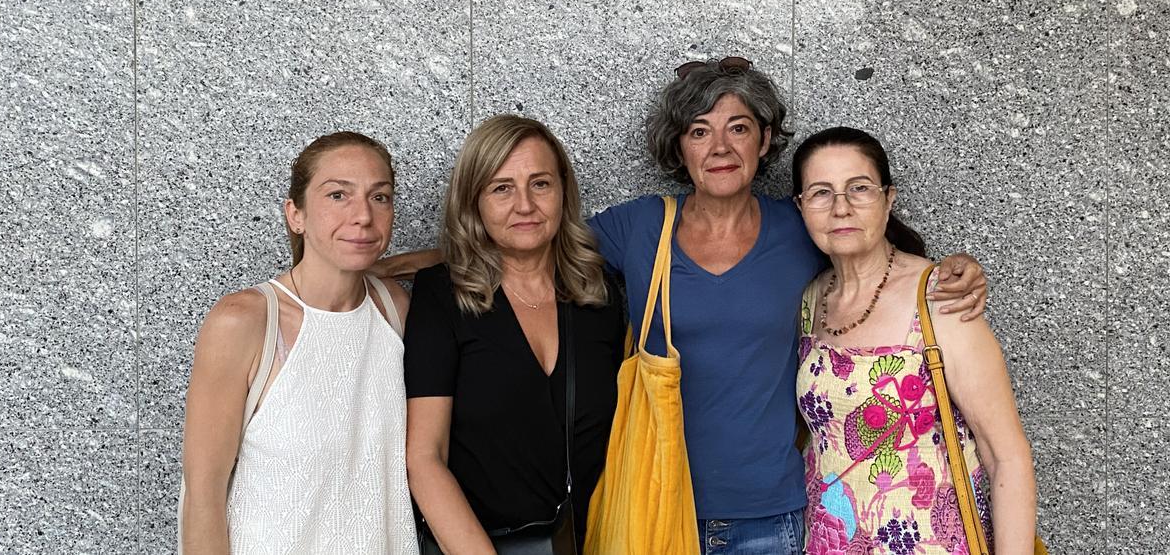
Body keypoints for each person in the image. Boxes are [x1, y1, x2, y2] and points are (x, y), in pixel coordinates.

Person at [378, 57, 987, 554]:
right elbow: (529, 237)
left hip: (768, 518)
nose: (719, 145)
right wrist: (396, 266)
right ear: (679, 148)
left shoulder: (800, 226)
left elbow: (871, 243)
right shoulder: (641, 227)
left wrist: (952, 270)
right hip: (651, 505)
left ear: (765, 140)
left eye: (738, 127)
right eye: (700, 130)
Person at [792, 126, 1035, 553]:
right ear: (801, 206)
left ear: (889, 199)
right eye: (821, 193)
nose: (841, 208)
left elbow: (1007, 457)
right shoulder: (811, 300)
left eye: (859, 188)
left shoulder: (939, 300)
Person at [179, 132, 418, 554]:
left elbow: (477, 256)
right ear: (296, 214)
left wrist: (404, 263)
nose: (363, 215)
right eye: (338, 195)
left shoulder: (393, 309)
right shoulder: (246, 320)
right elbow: (203, 497)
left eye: (379, 197)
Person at [404, 115, 627, 553]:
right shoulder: (443, 296)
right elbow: (424, 458)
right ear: (474, 202)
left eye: (540, 183)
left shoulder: (597, 294)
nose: (524, 205)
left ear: (563, 192)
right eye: (501, 188)